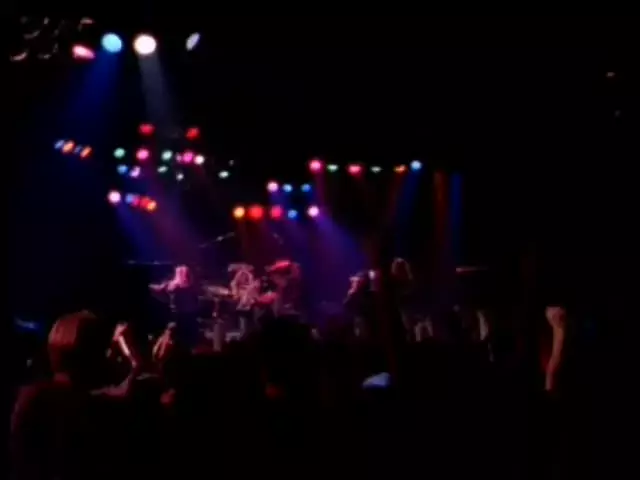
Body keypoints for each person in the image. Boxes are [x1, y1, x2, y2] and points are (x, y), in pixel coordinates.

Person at [11, 311, 142, 480]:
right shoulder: (94, 408)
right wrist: (135, 360)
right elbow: (132, 395)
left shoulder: (32, 396)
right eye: (105, 350)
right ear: (92, 356)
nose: (110, 355)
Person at [150, 265, 200, 347]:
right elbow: (196, 302)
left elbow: (158, 290)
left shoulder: (172, 286)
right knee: (187, 341)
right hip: (190, 318)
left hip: (177, 317)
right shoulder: (192, 288)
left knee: (173, 338)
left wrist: (147, 285)